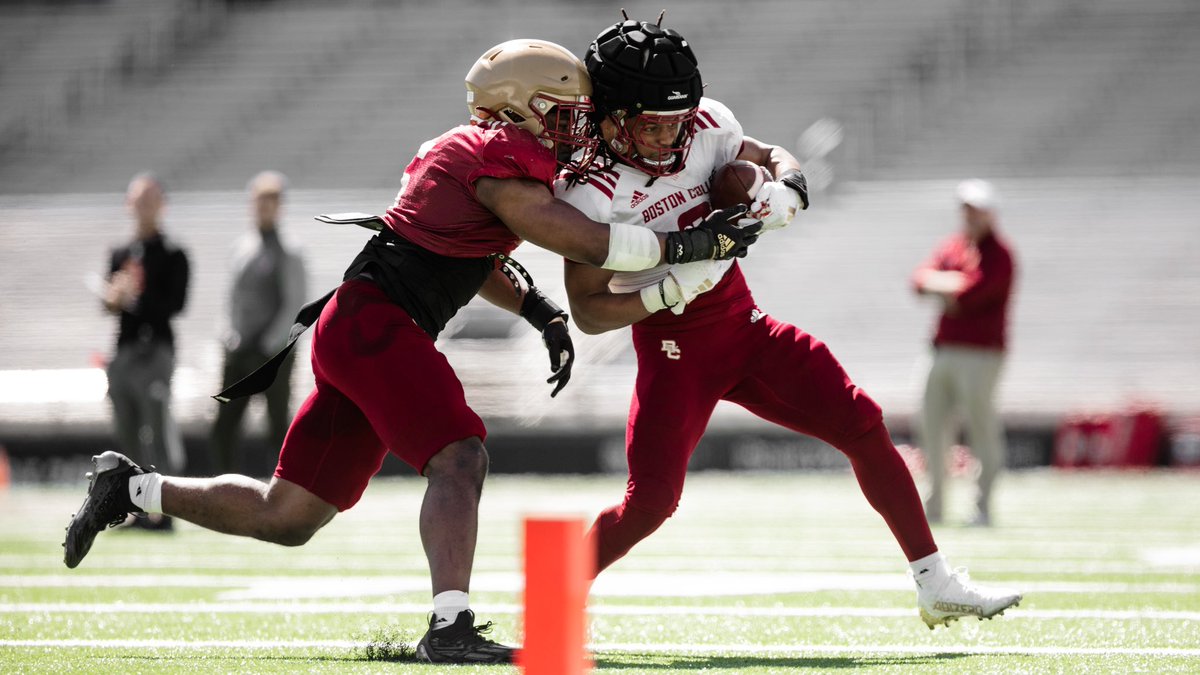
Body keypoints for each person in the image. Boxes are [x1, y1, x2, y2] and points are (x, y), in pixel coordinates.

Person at [63, 39, 761, 665]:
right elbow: (578, 239)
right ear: (517, 109)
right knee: (461, 454)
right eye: (561, 111)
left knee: (288, 516)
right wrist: (690, 245)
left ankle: (128, 486)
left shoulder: (481, 159)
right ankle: (449, 624)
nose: (574, 124)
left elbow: (476, 253)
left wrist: (539, 309)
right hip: (376, 323)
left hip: (363, 325)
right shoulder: (491, 155)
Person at [554, 17, 1022, 630]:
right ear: (612, 116)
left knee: (862, 422)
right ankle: (556, 590)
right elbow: (588, 312)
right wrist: (669, 287)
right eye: (652, 123)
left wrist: (791, 188)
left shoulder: (705, 126)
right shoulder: (589, 191)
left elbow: (770, 155)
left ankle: (935, 582)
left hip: (744, 328)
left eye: (677, 118)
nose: (670, 136)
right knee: (651, 505)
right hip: (674, 349)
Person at [911, 179, 1016, 527]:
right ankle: (935, 507)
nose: (969, 216)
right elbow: (918, 280)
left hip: (980, 354)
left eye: (976, 210)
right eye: (966, 210)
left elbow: (972, 295)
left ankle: (983, 508)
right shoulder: (954, 246)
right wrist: (950, 285)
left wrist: (945, 285)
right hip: (941, 350)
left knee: (980, 429)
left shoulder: (1000, 255)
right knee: (931, 429)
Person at [100, 172, 189, 531]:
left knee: (156, 424)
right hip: (125, 350)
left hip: (156, 350)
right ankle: (136, 508)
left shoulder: (173, 253)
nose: (144, 207)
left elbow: (175, 304)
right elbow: (110, 306)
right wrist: (113, 298)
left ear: (162, 205)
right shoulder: (120, 253)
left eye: (150, 200)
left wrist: (133, 298)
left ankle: (166, 510)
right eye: (138, 200)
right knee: (128, 429)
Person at [209, 171, 308, 475]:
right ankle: (223, 490)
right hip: (240, 350)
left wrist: (269, 345)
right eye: (258, 202)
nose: (263, 208)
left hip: (272, 355)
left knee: (277, 426)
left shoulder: (289, 251)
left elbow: (294, 302)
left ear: (280, 206)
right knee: (224, 427)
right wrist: (229, 334)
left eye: (270, 202)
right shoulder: (242, 247)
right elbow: (232, 298)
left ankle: (284, 492)